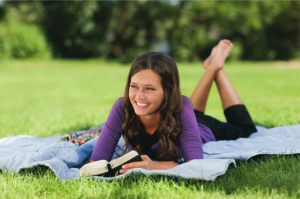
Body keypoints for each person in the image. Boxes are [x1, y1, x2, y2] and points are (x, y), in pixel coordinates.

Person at [90, 40, 257, 174]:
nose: (139, 96)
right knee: (189, 109)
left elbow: (196, 166)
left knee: (246, 128)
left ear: (168, 92)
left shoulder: (182, 106)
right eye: (134, 86)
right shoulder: (123, 107)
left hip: (203, 127)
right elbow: (95, 162)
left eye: (149, 88)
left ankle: (216, 68)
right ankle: (212, 67)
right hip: (181, 115)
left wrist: (155, 165)